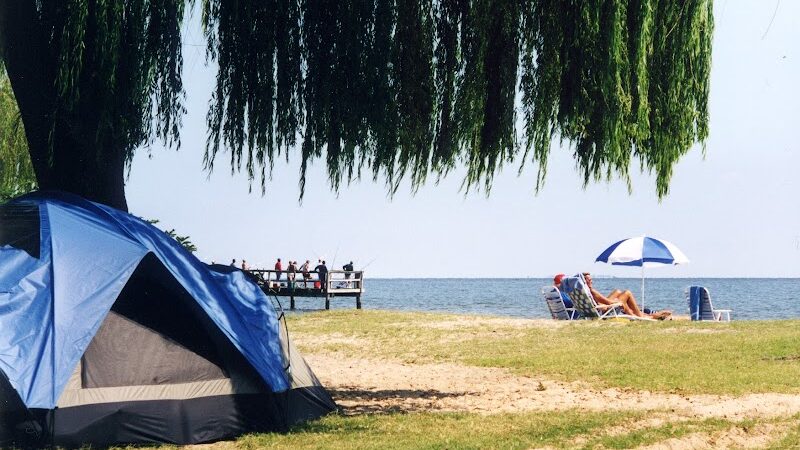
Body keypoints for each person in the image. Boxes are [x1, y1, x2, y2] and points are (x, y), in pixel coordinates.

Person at [582, 272, 671, 320]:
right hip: (604, 312)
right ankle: (641, 315)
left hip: (600, 309)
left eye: (591, 279)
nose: (591, 281)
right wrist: (618, 302)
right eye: (589, 280)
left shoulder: (584, 291)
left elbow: (597, 303)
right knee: (627, 293)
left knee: (617, 291)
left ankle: (638, 313)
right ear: (584, 282)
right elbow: (608, 303)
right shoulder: (592, 291)